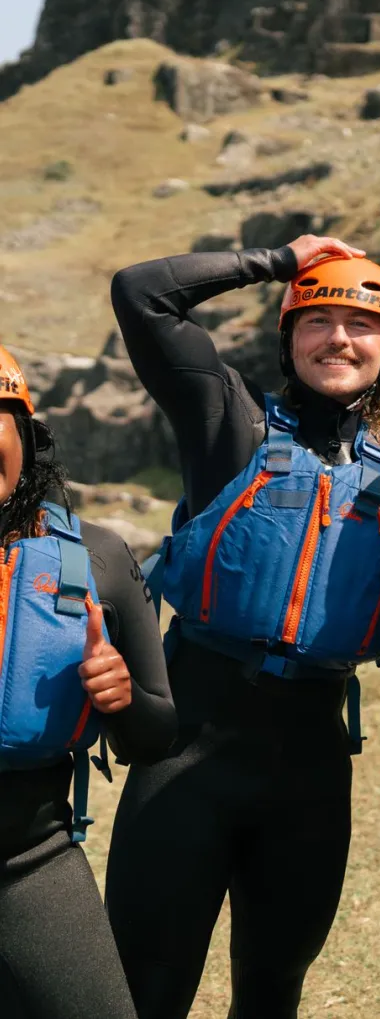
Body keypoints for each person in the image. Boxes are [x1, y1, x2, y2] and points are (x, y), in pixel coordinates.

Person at [104, 236, 380, 1019]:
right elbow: (141, 293)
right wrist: (278, 260)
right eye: (317, 319)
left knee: (271, 994)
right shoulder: (228, 419)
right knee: (145, 992)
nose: (339, 337)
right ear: (287, 335)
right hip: (186, 752)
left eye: (363, 325)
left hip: (310, 772)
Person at [0, 345, 176, 1019]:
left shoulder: (97, 557)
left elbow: (156, 737)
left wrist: (120, 694)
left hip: (32, 864)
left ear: (27, 434)